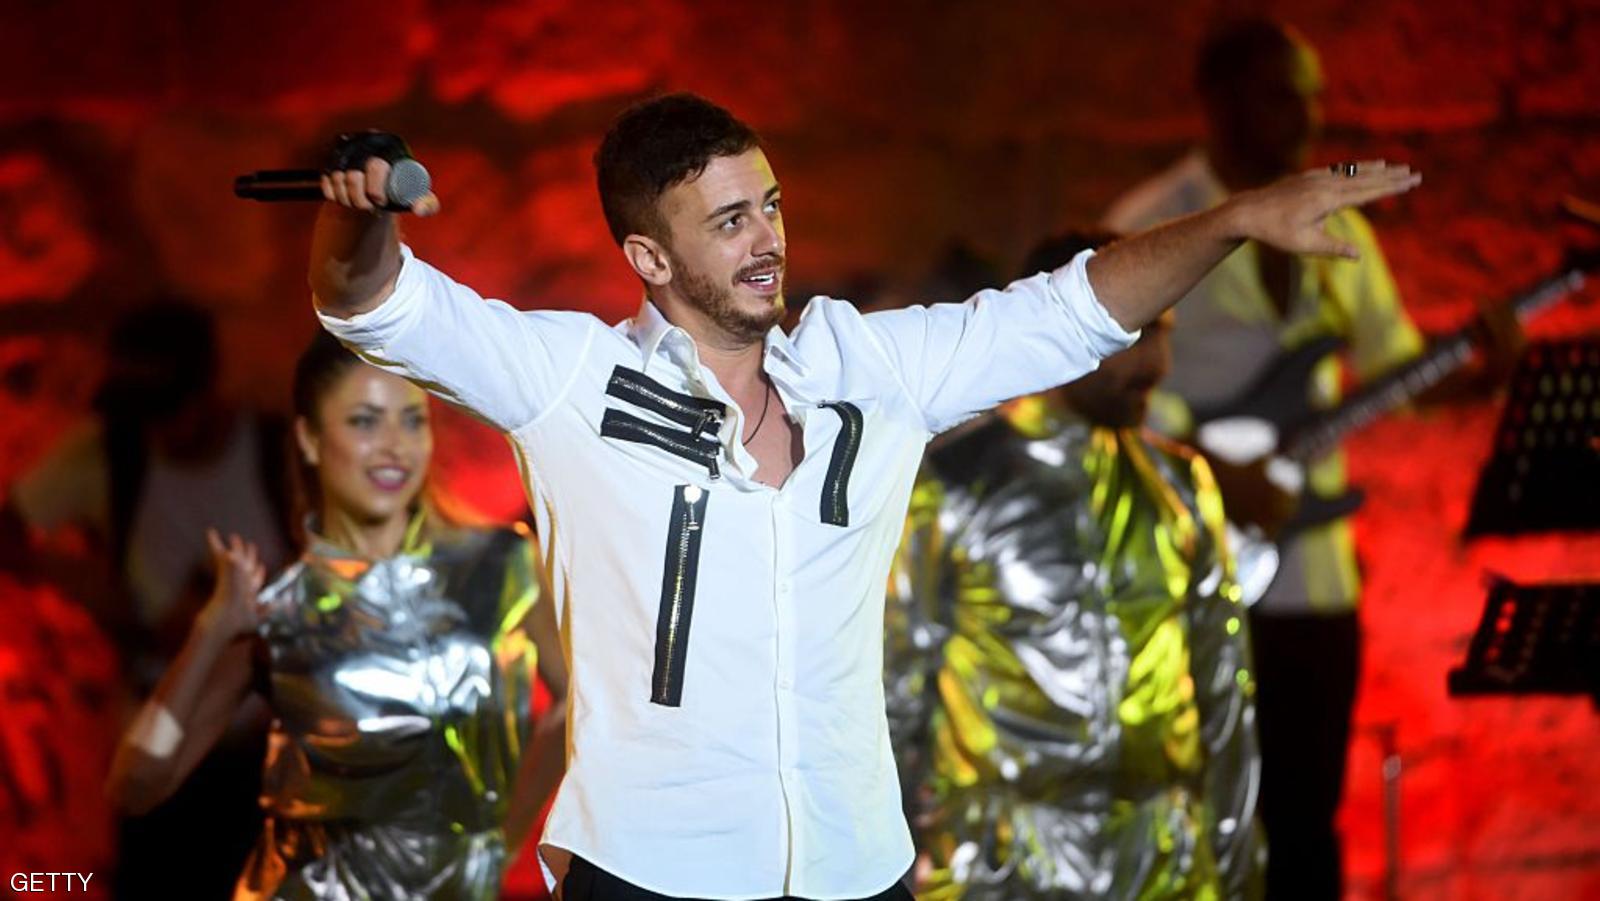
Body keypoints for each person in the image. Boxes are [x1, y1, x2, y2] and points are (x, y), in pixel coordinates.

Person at [306, 92, 1418, 900]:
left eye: (770, 205)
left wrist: (1229, 221)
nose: (767, 238)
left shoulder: (864, 368)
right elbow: (375, 304)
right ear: (648, 256)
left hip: (855, 864)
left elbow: (1065, 310)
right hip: (649, 866)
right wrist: (357, 211)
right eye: (729, 219)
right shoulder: (571, 382)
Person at [1102, 19, 1517, 899]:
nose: (1308, 111)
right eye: (1281, 90)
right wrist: (1211, 471)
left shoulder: (1341, 234)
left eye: (1313, 91)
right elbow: (1109, 394)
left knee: (1307, 817)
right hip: (1197, 568)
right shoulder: (1147, 226)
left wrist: (1481, 371)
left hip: (1317, 575)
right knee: (1204, 808)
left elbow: (1395, 368)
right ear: (1217, 102)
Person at [106, 332, 567, 900]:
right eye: (365, 422)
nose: (394, 445)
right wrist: (212, 631)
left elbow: (574, 704)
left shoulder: (500, 566)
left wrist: (502, 837)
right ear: (310, 440)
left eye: (411, 420)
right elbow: (137, 785)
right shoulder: (282, 607)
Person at [884, 232, 1263, 899]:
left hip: (1166, 867)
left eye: (1164, 332)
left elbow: (1224, 692)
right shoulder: (953, 484)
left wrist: (1236, 868)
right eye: (1138, 331)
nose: (1157, 362)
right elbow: (894, 697)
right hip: (999, 872)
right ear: (1064, 326)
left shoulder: (1180, 485)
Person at [2, 300, 293, 898]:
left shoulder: (277, 452)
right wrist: (99, 596)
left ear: (208, 385)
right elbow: (11, 530)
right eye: (142, 413)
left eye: (168, 408)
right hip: (164, 736)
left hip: (270, 749)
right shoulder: (114, 452)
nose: (158, 428)